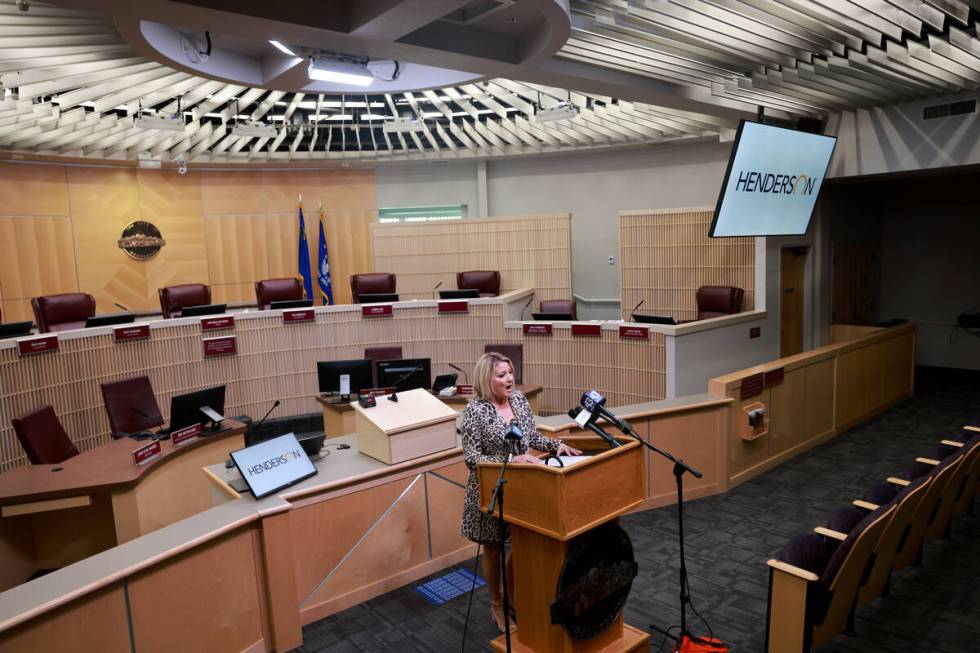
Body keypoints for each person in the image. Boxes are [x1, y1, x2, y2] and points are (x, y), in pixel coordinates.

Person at [459, 351, 581, 631]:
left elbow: (531, 437)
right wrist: (513, 459)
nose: (509, 379)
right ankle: (497, 604)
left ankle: (512, 595)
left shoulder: (520, 401)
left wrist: (556, 444)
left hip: (524, 488)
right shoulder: (475, 411)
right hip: (490, 490)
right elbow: (471, 457)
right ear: (487, 379)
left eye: (510, 373)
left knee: (520, 542)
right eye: (502, 375)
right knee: (492, 549)